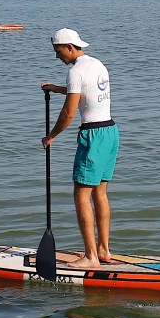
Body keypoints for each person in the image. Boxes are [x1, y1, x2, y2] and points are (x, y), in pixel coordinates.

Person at [40, 28, 116, 268]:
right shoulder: (97, 64)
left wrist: (51, 136)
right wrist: (56, 88)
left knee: (81, 194)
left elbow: (69, 113)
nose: (57, 56)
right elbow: (85, 91)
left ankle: (90, 257)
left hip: (92, 136)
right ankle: (103, 250)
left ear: (69, 47)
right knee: (100, 193)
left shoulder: (75, 72)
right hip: (110, 132)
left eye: (58, 51)